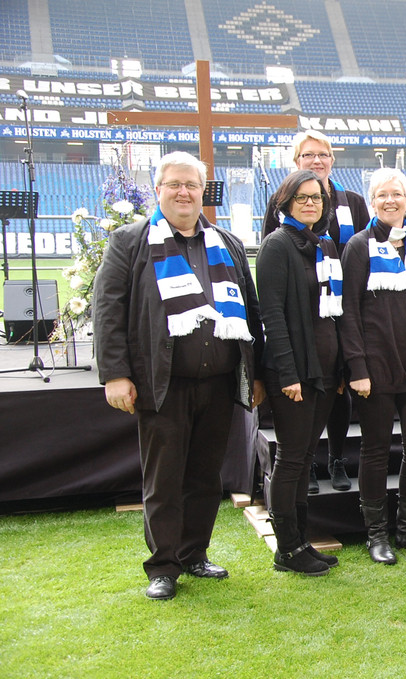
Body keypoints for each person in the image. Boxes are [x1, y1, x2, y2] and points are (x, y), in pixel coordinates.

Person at [93, 151, 264, 600]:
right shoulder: (130, 242)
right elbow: (108, 311)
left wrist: (256, 374)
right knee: (164, 479)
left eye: (192, 185)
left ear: (203, 191)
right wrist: (115, 373)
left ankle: (194, 553)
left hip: (219, 383)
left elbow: (250, 308)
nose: (184, 193)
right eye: (175, 184)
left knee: (205, 477)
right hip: (161, 383)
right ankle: (163, 565)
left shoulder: (225, 243)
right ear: (158, 189)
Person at [263, 130, 371, 495]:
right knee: (295, 447)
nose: (317, 160)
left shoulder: (352, 202)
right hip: (301, 315)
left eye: (323, 154)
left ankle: (336, 457)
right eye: (309, 155)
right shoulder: (281, 226)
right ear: (297, 162)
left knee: (337, 397)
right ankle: (305, 469)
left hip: (337, 312)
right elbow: (272, 288)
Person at [341, 168, 406, 564]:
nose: (391, 201)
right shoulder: (358, 246)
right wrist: (357, 368)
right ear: (372, 201)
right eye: (382, 195)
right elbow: (348, 312)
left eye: (397, 194)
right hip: (376, 369)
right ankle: (376, 533)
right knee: (376, 450)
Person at [257, 170, 345, 576]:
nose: (311, 203)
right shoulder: (277, 245)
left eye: (317, 198)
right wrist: (288, 374)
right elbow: (271, 315)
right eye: (302, 197)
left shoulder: (324, 244)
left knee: (307, 455)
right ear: (285, 202)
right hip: (294, 373)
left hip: (324, 372)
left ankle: (301, 542)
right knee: (291, 459)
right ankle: (287, 548)